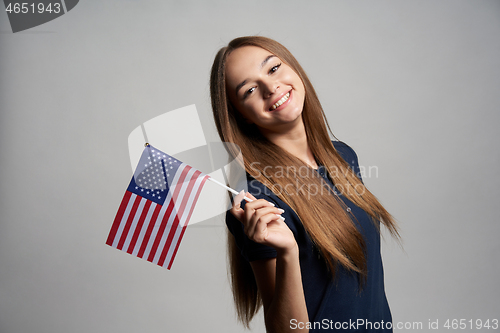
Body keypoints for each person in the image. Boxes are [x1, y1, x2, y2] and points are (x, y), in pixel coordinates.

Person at [210, 36, 400, 332]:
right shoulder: (256, 200)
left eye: (273, 69)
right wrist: (287, 253)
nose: (271, 88)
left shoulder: (343, 156)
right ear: (242, 116)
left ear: (294, 69)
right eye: (249, 89)